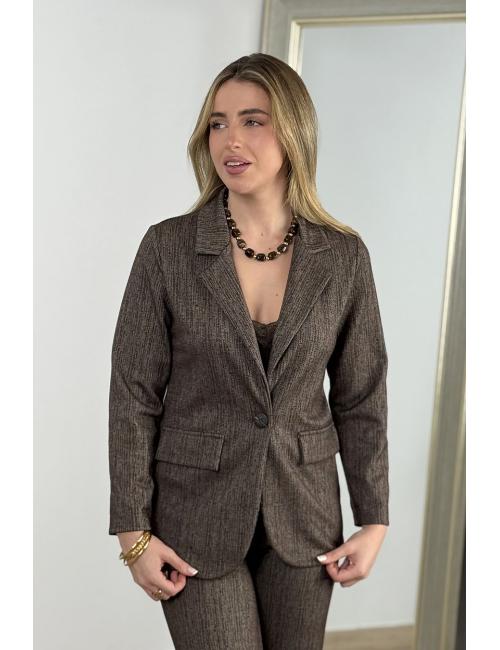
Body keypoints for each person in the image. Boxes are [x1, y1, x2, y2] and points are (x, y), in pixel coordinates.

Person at [108, 52, 389, 649]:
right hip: (194, 518)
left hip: (305, 518)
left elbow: (361, 396)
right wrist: (133, 530)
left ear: (293, 132)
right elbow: (133, 394)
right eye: (218, 123)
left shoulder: (343, 257)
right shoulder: (168, 249)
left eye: (253, 121)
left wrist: (374, 518)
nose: (230, 140)